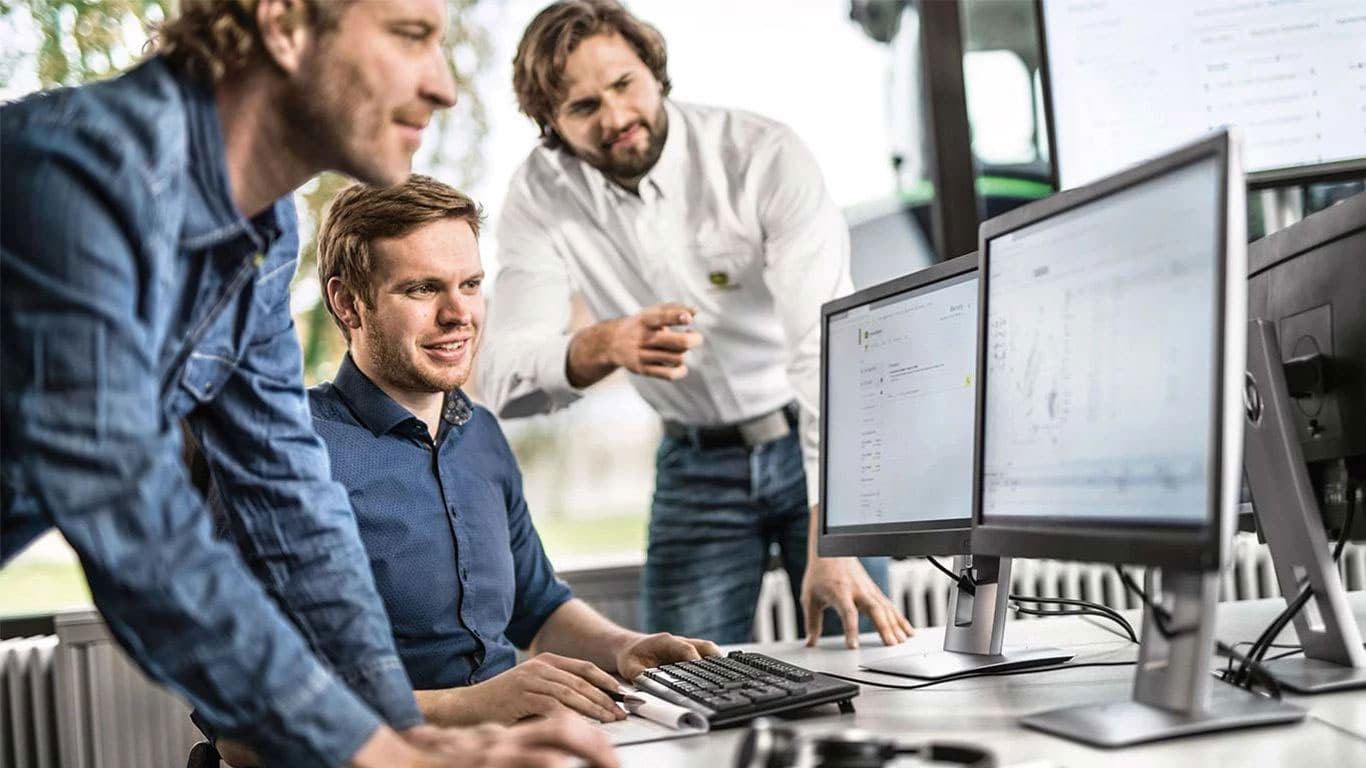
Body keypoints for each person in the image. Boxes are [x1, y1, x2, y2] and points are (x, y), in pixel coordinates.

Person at [0, 1, 613, 766]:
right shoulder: (74, 175)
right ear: (285, 25)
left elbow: (290, 503)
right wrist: (384, 754)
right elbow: (137, 533)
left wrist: (404, 730)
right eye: (411, 35)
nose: (444, 86)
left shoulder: (264, 233)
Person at [477, 0, 914, 648]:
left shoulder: (762, 156)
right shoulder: (539, 196)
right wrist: (600, 345)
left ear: (654, 71)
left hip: (811, 443)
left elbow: (822, 349)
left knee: (867, 658)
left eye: (623, 85)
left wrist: (834, 529)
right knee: (682, 685)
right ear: (552, 124)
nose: (616, 118)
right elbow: (503, 379)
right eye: (583, 107)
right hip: (693, 464)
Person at [304, 174, 722, 729]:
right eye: (423, 289)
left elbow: (539, 608)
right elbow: (250, 725)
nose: (460, 314)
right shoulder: (290, 453)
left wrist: (626, 648)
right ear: (348, 303)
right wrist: (471, 705)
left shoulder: (479, 435)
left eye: (471, 284)